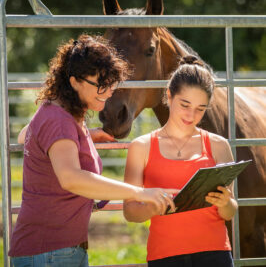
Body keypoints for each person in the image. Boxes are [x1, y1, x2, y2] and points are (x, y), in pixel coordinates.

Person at [9, 34, 178, 267]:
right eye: (100, 84)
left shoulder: (62, 114)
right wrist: (138, 193)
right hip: (50, 252)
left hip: (57, 249)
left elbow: (24, 136)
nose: (109, 92)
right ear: (74, 81)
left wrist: (81, 135)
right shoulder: (59, 119)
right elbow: (71, 178)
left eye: (111, 84)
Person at [123, 56, 238, 267]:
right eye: (185, 104)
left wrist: (226, 203)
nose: (191, 115)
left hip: (215, 253)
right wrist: (156, 206)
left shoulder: (219, 145)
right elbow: (130, 212)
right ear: (168, 95)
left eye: (200, 108)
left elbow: (230, 213)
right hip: (165, 255)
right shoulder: (141, 146)